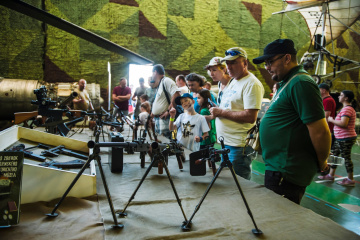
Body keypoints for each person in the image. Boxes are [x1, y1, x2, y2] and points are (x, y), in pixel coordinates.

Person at [253, 39, 331, 204]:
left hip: (286, 171)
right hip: (279, 168)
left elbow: (320, 131)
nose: (267, 67)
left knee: (279, 219)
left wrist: (322, 161)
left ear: (287, 58)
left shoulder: (300, 83)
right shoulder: (288, 82)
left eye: (270, 61)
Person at [209, 47, 264, 180]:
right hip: (227, 143)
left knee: (239, 185)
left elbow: (251, 116)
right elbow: (231, 107)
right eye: (227, 63)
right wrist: (218, 111)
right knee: (229, 183)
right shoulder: (234, 81)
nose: (229, 67)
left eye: (234, 62)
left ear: (245, 63)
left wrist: (221, 112)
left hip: (238, 146)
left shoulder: (251, 84)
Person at [318, 90, 357, 186]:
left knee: (346, 158)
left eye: (341, 95)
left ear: (346, 98)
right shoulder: (344, 109)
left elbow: (343, 123)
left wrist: (332, 120)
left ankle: (350, 179)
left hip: (346, 138)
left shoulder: (347, 109)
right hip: (340, 138)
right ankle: (330, 175)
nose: (339, 96)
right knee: (334, 156)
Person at [150, 64, 181, 139]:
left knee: (166, 143)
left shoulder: (166, 80)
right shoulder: (160, 83)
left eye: (152, 73)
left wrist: (168, 110)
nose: (151, 75)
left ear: (155, 72)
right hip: (159, 120)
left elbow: (177, 93)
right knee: (160, 144)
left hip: (165, 119)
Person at [318, 83, 336, 147]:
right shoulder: (327, 100)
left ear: (323, 90)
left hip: (325, 128)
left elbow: (326, 116)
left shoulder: (328, 100)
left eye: (318, 89)